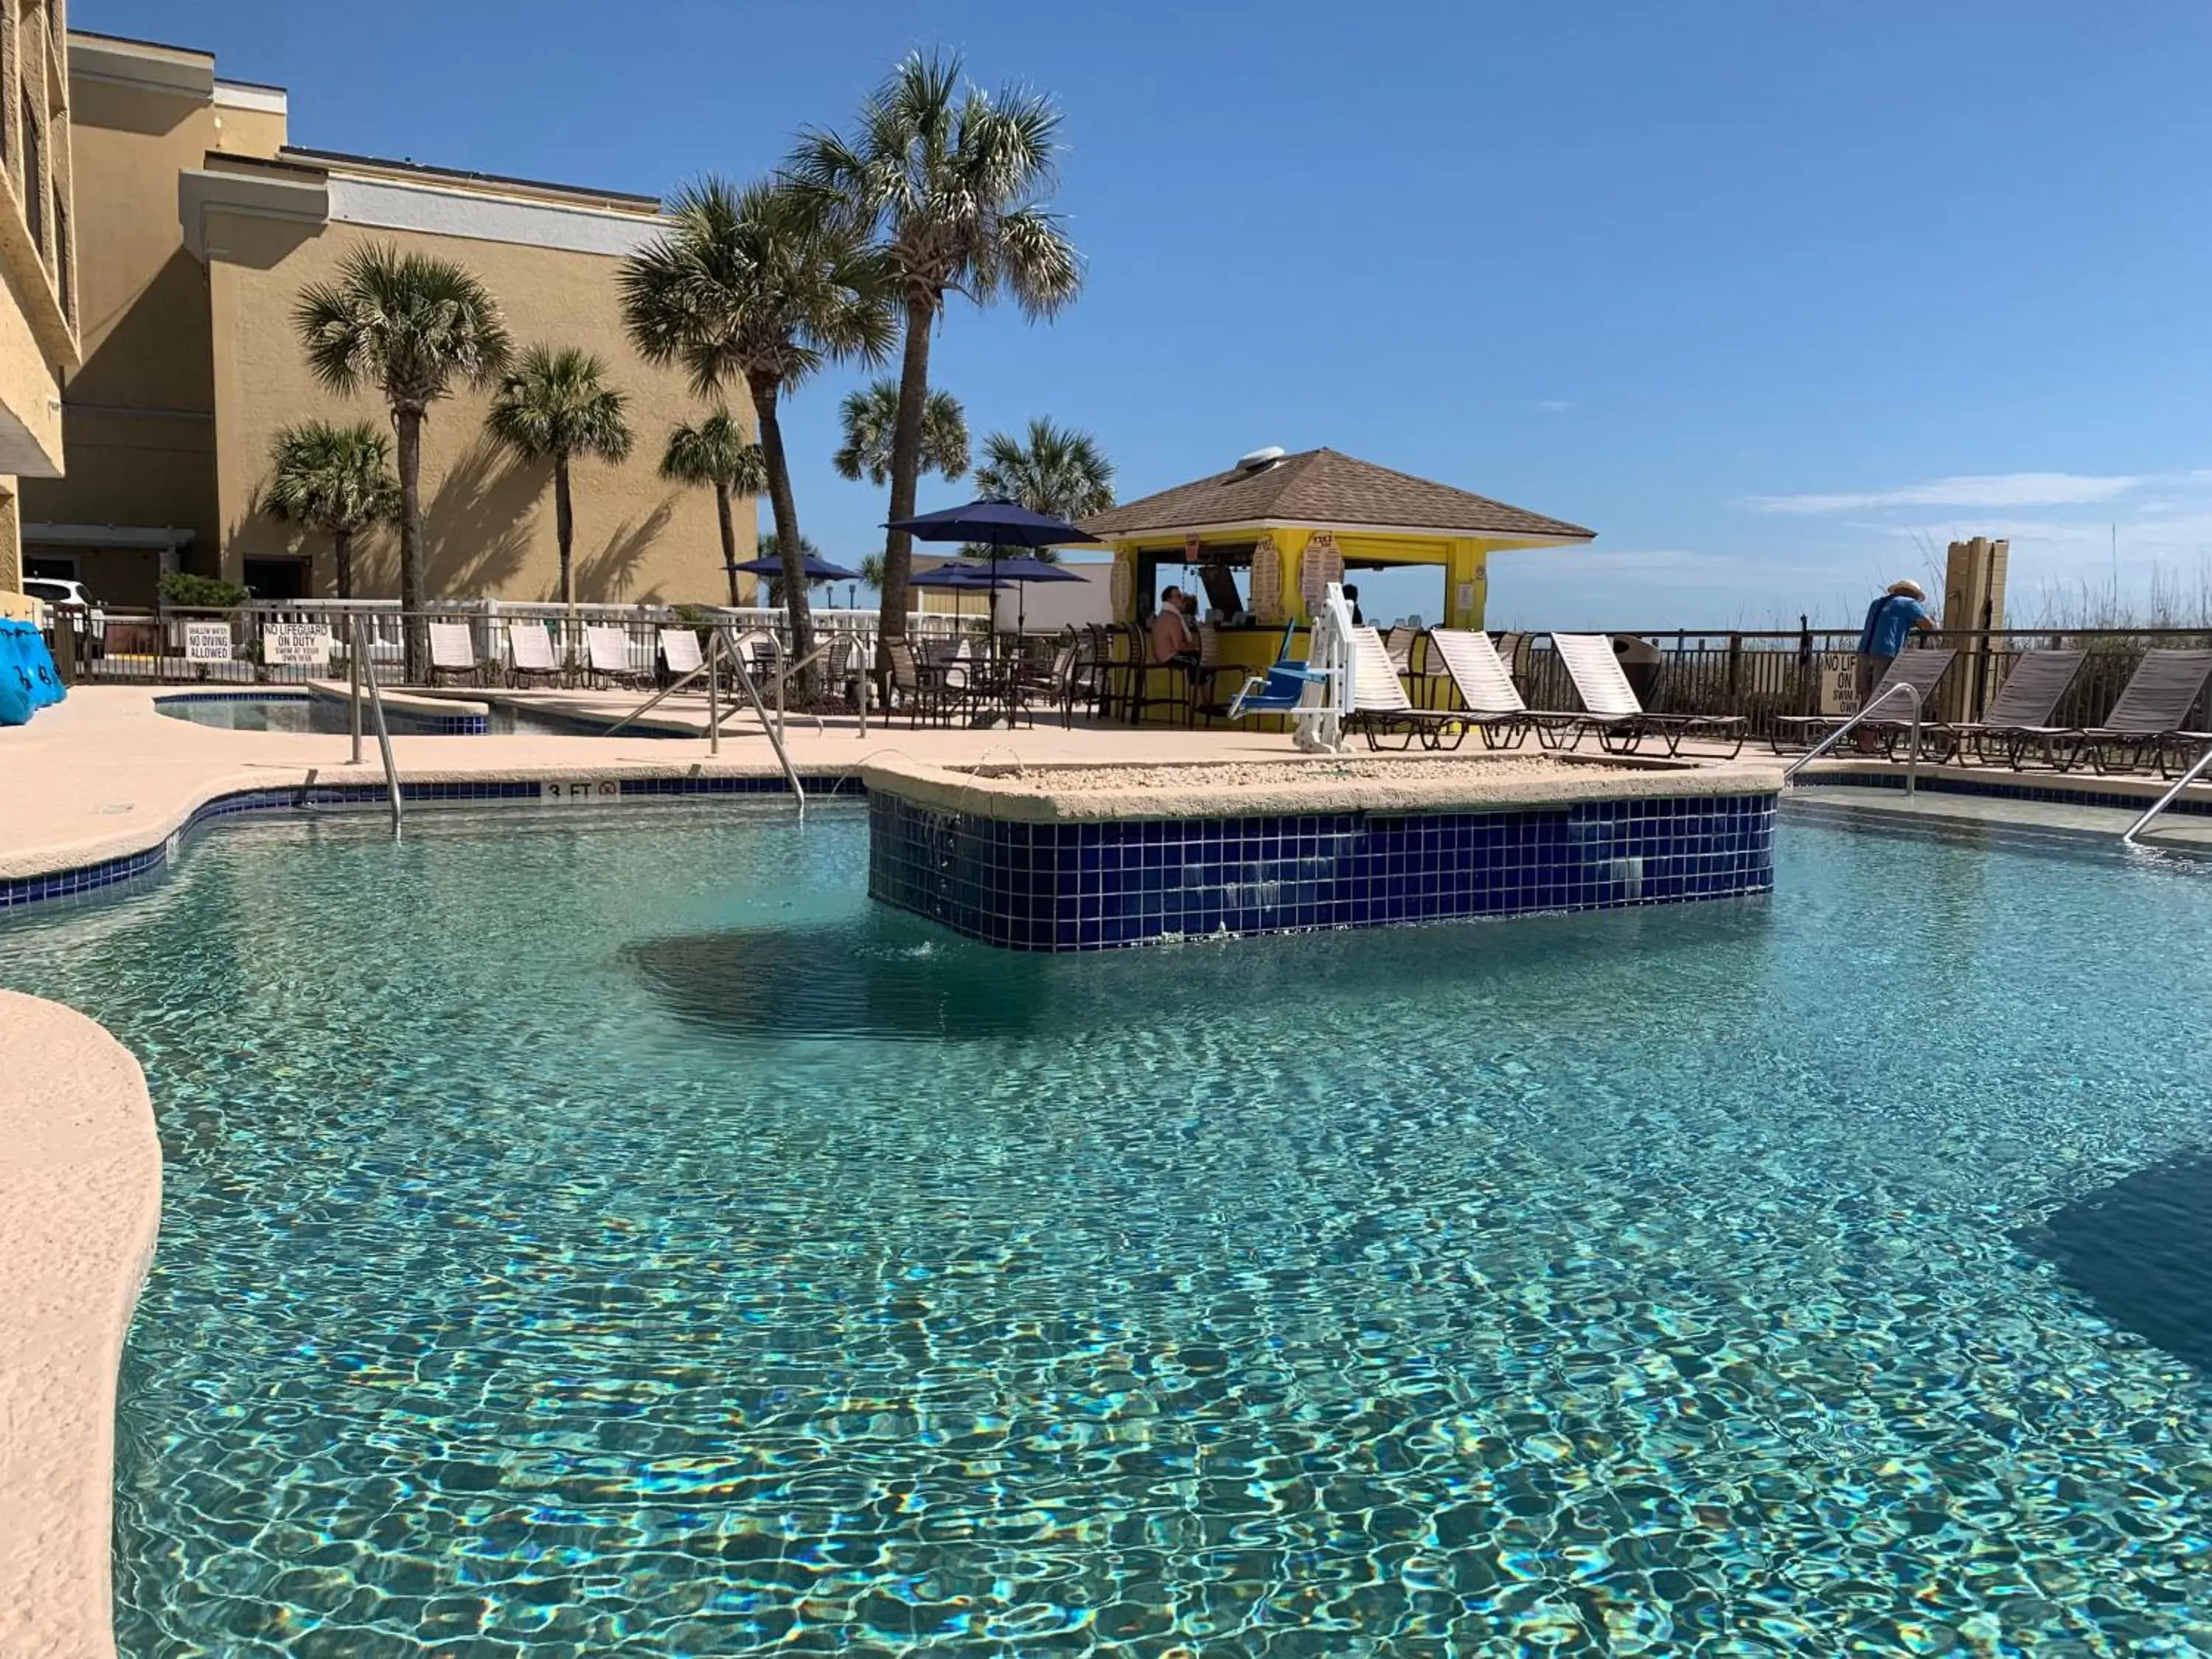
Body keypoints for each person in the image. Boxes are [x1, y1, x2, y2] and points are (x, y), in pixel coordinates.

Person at [1855, 579, 1935, 749]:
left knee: (1865, 696)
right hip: (1885, 651)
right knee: (1878, 698)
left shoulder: (1876, 603)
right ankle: (1869, 743)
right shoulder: (1910, 604)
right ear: (1913, 594)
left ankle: (1862, 741)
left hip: (1864, 651)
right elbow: (1928, 626)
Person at [1150, 586, 1197, 667]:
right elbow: (1178, 646)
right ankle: (1201, 679)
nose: (1182, 599)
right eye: (1179, 596)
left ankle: (1198, 679)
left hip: (1162, 657)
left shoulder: (1163, 615)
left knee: (1197, 657)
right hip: (1169, 657)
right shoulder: (1172, 617)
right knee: (1199, 660)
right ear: (1169, 599)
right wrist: (1195, 647)